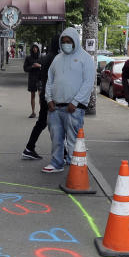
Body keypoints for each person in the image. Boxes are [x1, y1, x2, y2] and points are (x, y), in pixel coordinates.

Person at [41, 27, 95, 173]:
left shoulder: (85, 59)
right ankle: (56, 163)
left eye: (69, 41)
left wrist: (76, 102)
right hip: (55, 107)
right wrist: (49, 99)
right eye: (63, 41)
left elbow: (88, 83)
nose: (66, 44)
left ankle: (74, 165)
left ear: (75, 41)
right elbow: (49, 81)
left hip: (74, 108)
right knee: (56, 138)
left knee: (73, 139)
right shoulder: (57, 59)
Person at [22, 36, 59, 160]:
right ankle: (62, 153)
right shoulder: (56, 58)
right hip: (52, 96)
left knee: (42, 122)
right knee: (56, 124)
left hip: (45, 93)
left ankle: (29, 147)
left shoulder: (46, 57)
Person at [23, 43, 44, 118]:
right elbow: (25, 69)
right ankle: (33, 112)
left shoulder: (41, 57)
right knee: (32, 95)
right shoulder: (28, 58)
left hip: (40, 79)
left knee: (41, 96)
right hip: (32, 79)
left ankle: (42, 112)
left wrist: (39, 66)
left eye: (36, 48)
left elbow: (45, 67)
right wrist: (32, 66)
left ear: (38, 49)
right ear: (31, 49)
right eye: (33, 48)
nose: (35, 49)